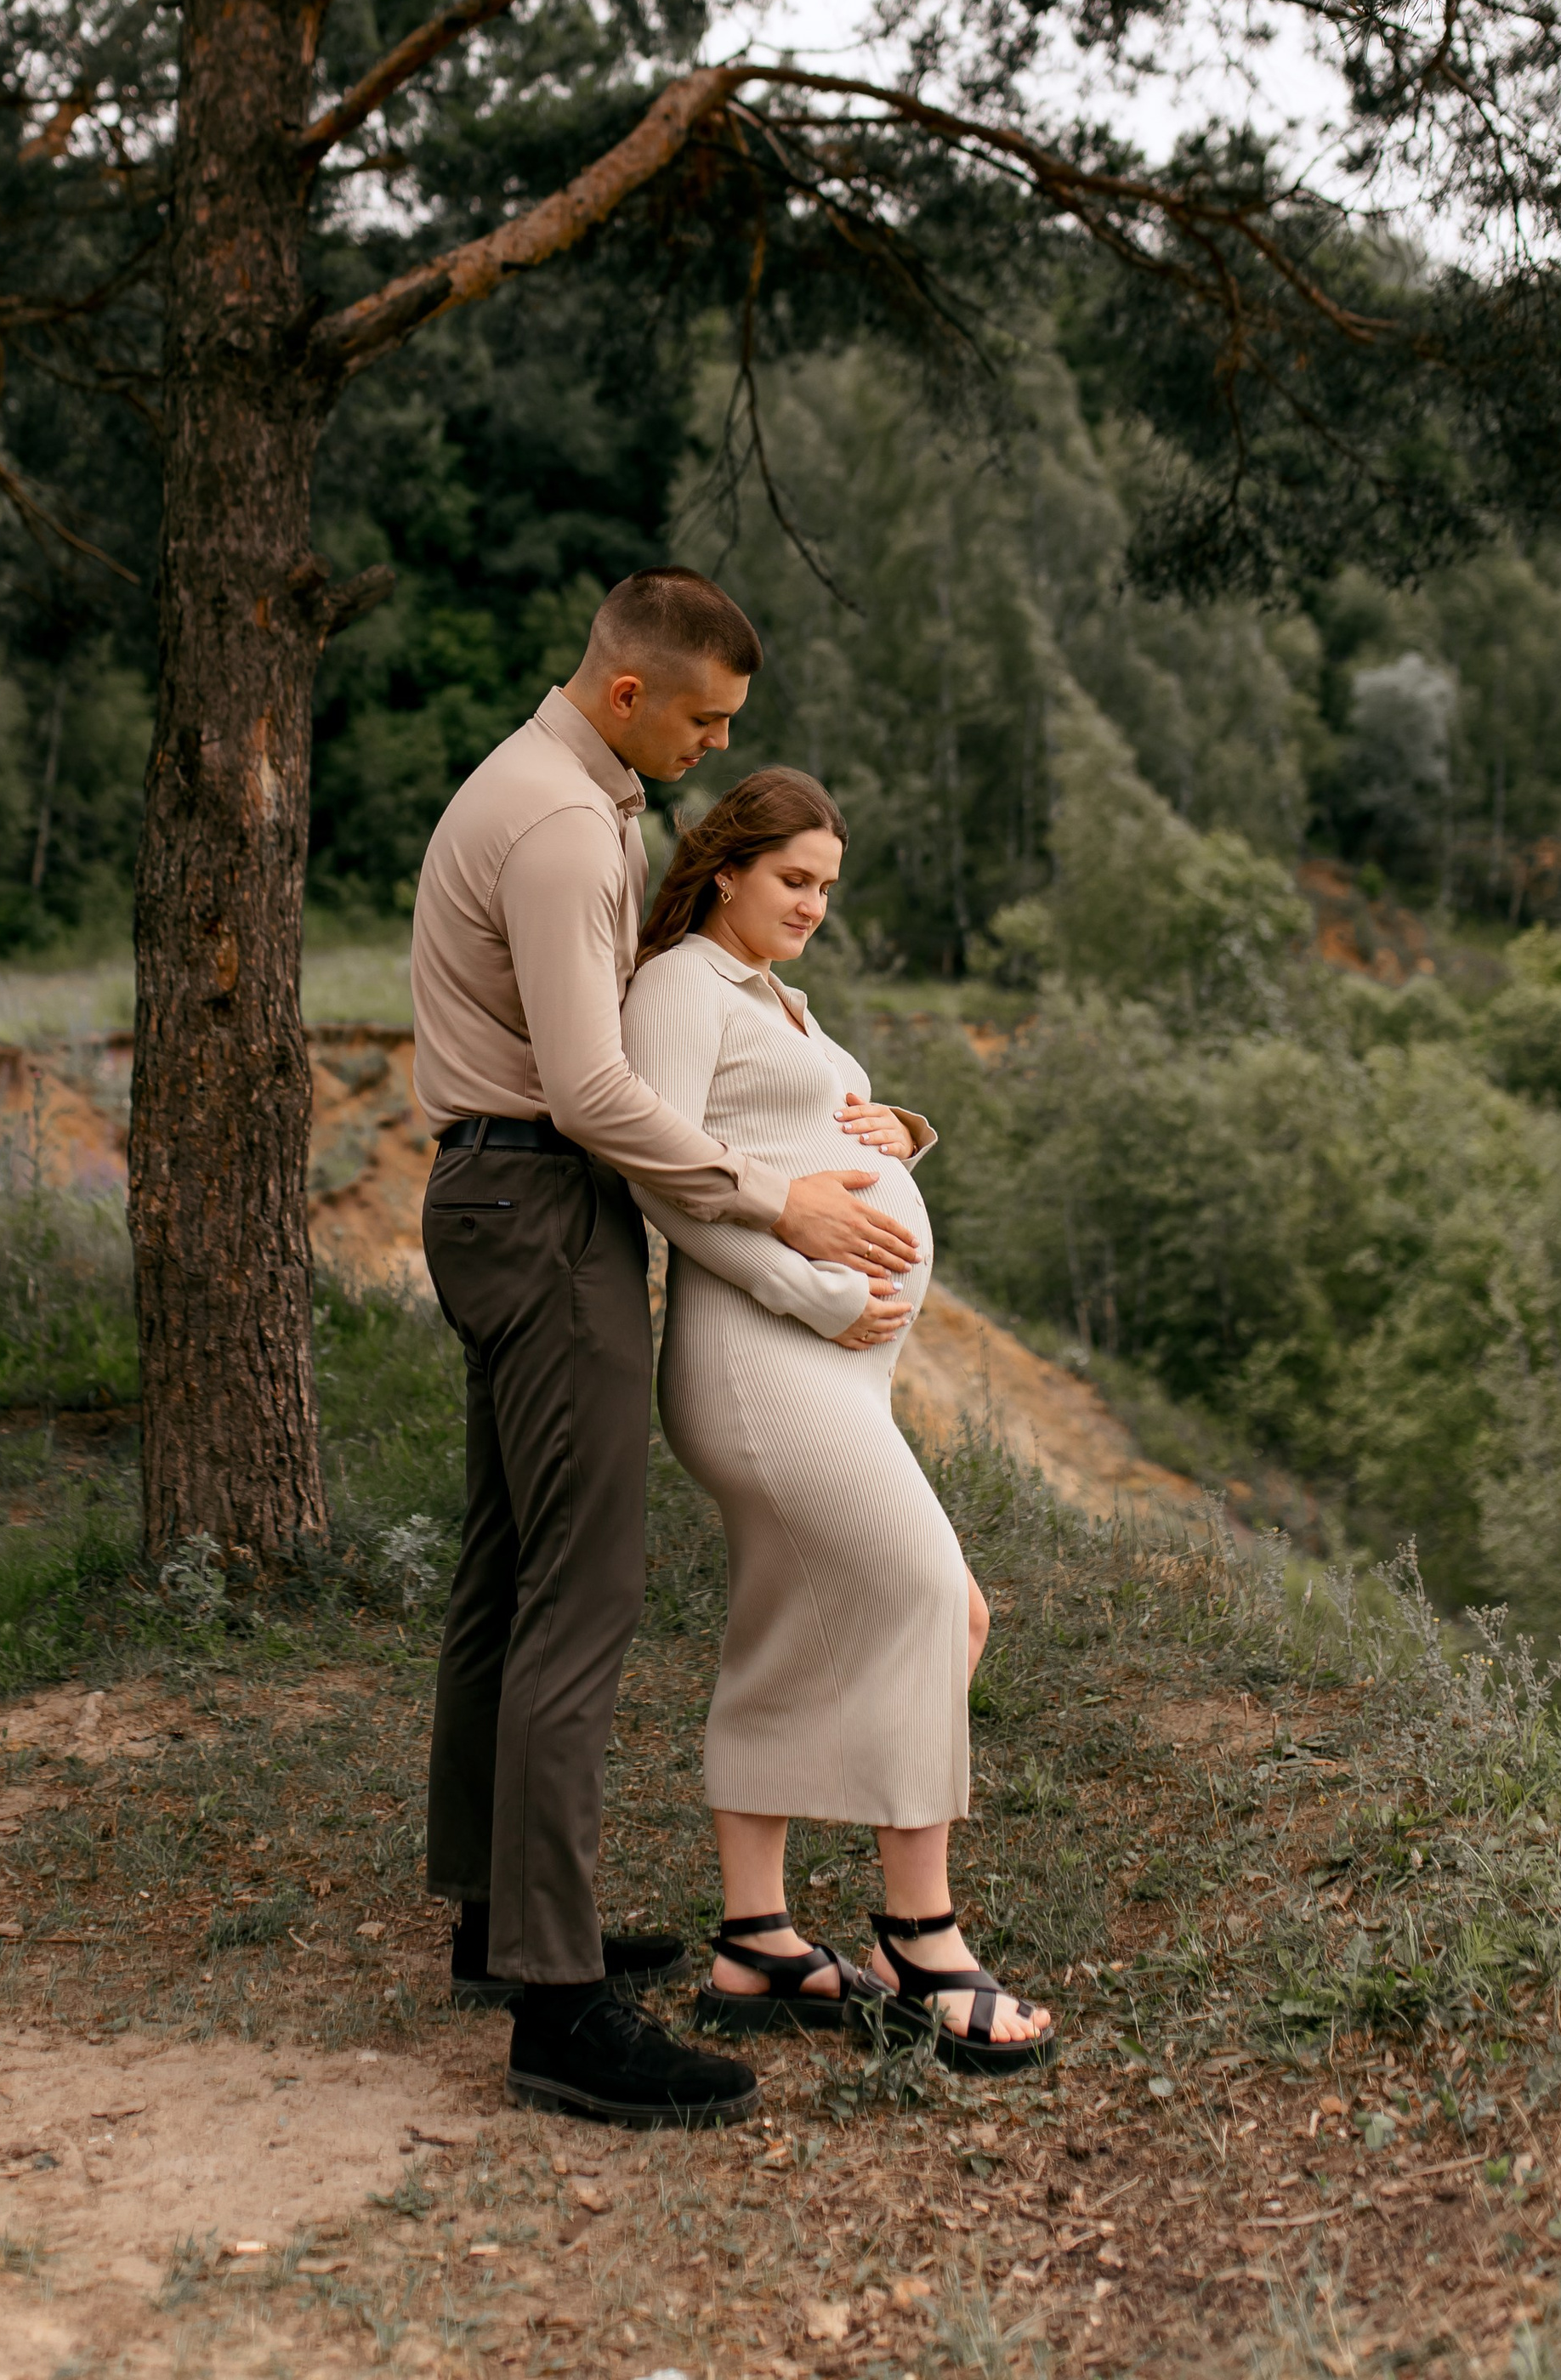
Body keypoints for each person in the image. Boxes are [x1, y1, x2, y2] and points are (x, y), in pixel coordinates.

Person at [411, 570, 923, 2128]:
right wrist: (788, 1206)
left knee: (507, 1571)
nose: (712, 749)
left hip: (497, 1193)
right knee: (584, 1594)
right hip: (542, 1199)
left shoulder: (538, 781)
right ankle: (561, 2012)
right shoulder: (570, 825)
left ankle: (500, 1923)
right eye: (703, 719)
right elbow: (593, 1093)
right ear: (627, 694)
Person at [619, 765, 1054, 2075]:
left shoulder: (771, 995)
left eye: (828, 888)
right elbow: (663, 1168)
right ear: (725, 869)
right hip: (763, 1358)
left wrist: (896, 1135)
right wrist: (807, 1289)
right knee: (935, 1603)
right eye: (795, 881)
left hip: (818, 1364)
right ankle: (922, 1942)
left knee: (796, 1630)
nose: (814, 905)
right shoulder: (683, 987)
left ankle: (755, 1942)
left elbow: (801, 1138)